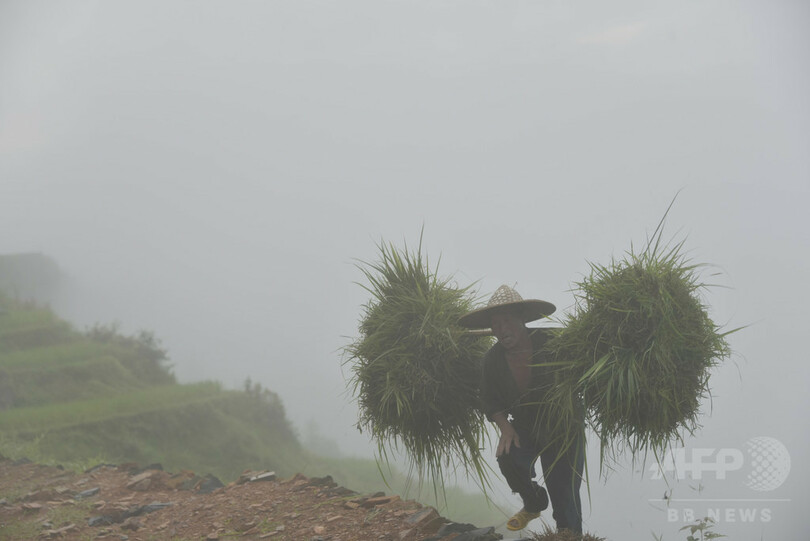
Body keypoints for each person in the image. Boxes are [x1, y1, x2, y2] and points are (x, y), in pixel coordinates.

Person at [459, 285, 585, 533]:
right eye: (496, 324)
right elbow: (489, 399)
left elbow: (582, 373)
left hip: (564, 427)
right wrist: (505, 426)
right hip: (526, 424)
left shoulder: (553, 343)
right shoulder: (492, 361)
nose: (502, 329)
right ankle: (534, 502)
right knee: (508, 457)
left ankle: (569, 535)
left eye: (507, 320)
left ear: (522, 320)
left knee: (564, 492)